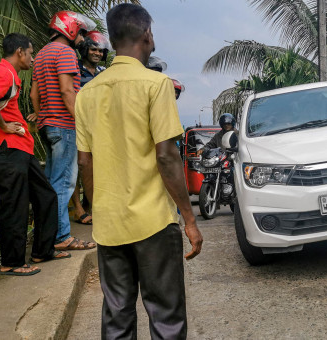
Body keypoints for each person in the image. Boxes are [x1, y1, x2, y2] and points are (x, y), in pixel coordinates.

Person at [74, 4, 203, 338]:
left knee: (117, 316)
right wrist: (189, 219)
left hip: (109, 225)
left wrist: (96, 210)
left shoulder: (87, 94)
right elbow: (166, 156)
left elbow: (85, 162)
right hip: (153, 223)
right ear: (147, 35)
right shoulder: (155, 85)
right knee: (166, 317)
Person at [0, 33, 70, 276]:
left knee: (46, 196)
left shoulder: (10, 75)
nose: (32, 57)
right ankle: (12, 262)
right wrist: (4, 125)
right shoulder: (3, 73)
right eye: (30, 53)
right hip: (7, 149)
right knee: (15, 205)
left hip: (20, 149)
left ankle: (43, 250)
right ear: (19, 52)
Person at [30, 10, 96, 251]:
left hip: (48, 125)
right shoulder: (65, 52)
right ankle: (62, 237)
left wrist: (41, 119)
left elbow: (34, 94)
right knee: (64, 183)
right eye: (80, 33)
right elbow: (68, 91)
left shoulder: (41, 54)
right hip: (65, 125)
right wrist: (80, 121)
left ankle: (49, 235)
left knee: (51, 182)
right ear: (69, 29)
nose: (82, 39)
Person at [70, 30, 112, 226]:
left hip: (101, 127)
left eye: (100, 50)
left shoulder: (105, 72)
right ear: (85, 50)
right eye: (93, 49)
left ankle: (93, 207)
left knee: (99, 169)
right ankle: (78, 210)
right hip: (77, 124)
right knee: (77, 168)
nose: (97, 53)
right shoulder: (75, 70)